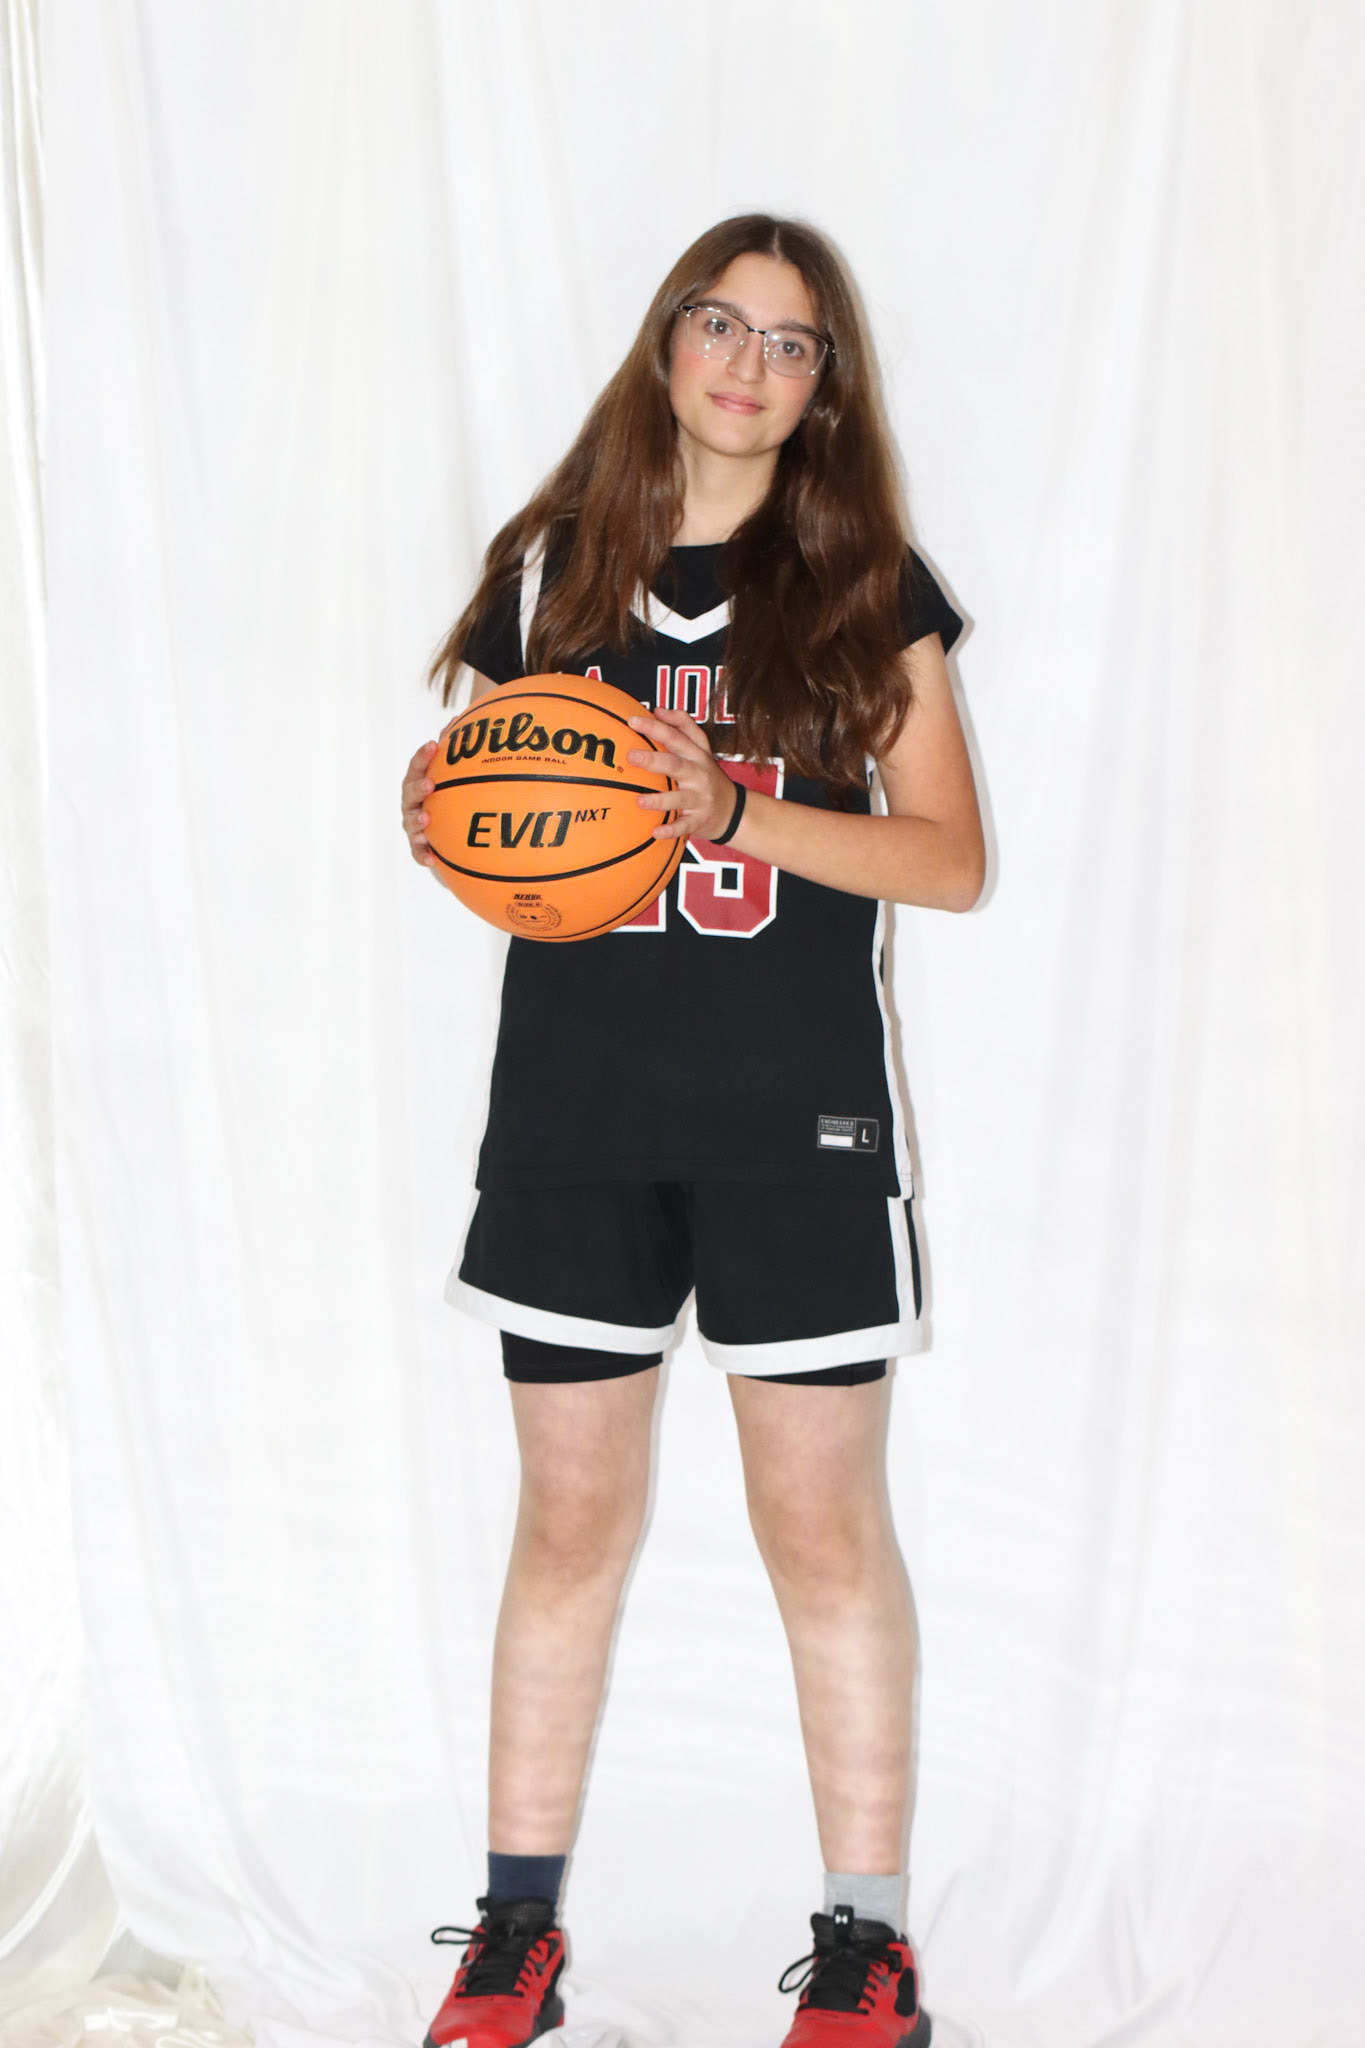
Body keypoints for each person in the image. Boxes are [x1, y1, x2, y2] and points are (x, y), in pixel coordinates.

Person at [400, 213, 984, 2048]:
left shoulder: (862, 585)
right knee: (566, 1527)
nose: (747, 363)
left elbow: (948, 861)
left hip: (793, 1122)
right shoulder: (551, 573)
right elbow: (504, 828)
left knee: (820, 1534)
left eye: (790, 343)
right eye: (719, 325)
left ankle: (867, 1952)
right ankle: (513, 1936)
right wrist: (471, 823)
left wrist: (734, 808)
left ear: (823, 392)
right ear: (665, 344)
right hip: (574, 1115)